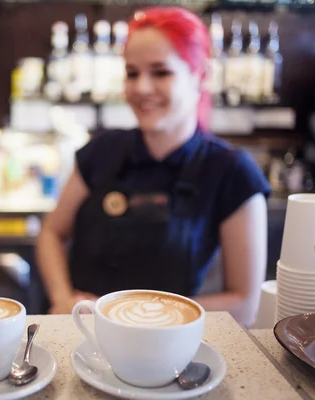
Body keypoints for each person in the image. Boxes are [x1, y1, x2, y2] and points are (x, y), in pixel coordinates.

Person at [35, 7, 271, 327]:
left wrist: (132, 320)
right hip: (84, 338)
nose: (142, 88)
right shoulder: (102, 151)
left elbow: (243, 304)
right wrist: (63, 299)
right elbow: (51, 232)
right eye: (132, 73)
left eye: (161, 72)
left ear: (201, 75)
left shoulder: (231, 171)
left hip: (169, 354)